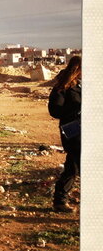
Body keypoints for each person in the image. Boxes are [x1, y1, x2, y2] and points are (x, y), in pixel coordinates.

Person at [48, 55, 81, 213]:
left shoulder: (85, 85)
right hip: (72, 130)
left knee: (72, 167)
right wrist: (77, 109)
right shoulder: (62, 86)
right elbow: (54, 110)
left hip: (86, 129)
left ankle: (59, 201)